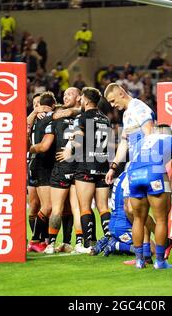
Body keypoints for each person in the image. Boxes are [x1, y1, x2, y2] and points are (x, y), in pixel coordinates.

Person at [104, 83, 157, 261]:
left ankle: (160, 240)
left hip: (144, 164)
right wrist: (113, 167)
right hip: (133, 165)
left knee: (134, 209)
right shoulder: (127, 114)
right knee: (132, 209)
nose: (112, 105)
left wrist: (146, 161)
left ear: (121, 93)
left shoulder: (138, 108)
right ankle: (146, 253)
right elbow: (125, 144)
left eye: (113, 101)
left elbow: (149, 132)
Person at [30, 87, 86, 254]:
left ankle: (49, 243)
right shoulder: (83, 117)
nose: (66, 96)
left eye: (69, 94)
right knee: (75, 208)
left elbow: (45, 145)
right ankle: (78, 242)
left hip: (58, 166)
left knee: (55, 208)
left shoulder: (54, 118)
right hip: (76, 166)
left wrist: (29, 148)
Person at [57, 87, 111, 250]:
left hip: (86, 166)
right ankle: (109, 238)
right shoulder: (105, 118)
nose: (79, 100)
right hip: (102, 165)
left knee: (85, 206)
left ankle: (89, 243)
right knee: (103, 207)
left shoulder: (82, 117)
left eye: (81, 98)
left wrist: (69, 149)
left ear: (86, 100)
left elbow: (79, 139)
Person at [127, 124, 172, 269]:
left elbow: (132, 161)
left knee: (138, 219)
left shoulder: (142, 141)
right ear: (169, 133)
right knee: (161, 219)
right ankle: (160, 262)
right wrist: (169, 191)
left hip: (133, 175)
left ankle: (140, 261)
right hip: (154, 173)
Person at [26, 92, 57, 253]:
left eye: (39, 103)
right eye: (35, 104)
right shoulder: (32, 120)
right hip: (35, 162)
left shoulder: (47, 119)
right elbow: (23, 124)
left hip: (43, 163)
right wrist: (35, 112)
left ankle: (41, 239)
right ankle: (35, 239)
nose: (38, 106)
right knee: (37, 206)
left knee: (45, 206)